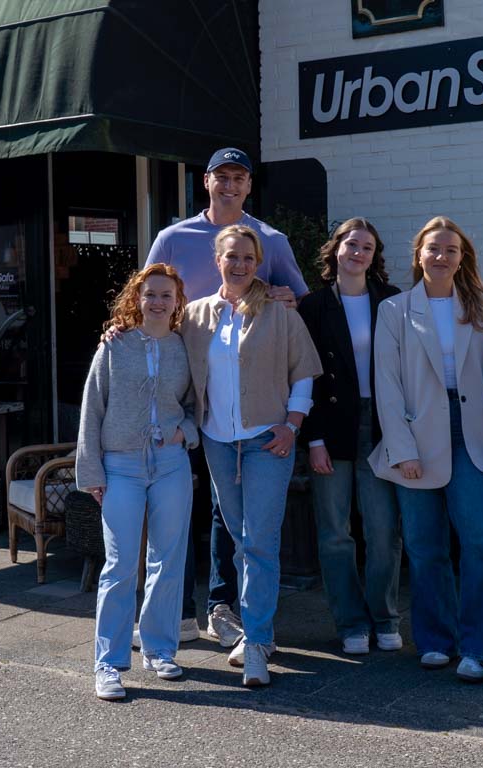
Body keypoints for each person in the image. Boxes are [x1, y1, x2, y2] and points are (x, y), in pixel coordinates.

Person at [145, 147, 310, 648]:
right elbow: (147, 297)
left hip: (239, 404)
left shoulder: (270, 241)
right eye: (222, 176)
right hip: (181, 393)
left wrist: (286, 298)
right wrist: (120, 333)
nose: (230, 185)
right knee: (176, 503)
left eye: (240, 178)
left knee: (226, 512)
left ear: (249, 186)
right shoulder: (173, 238)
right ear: (207, 182)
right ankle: (178, 613)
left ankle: (224, 608)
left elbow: (296, 303)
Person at [181, 223, 321, 686]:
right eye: (231, 256)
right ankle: (258, 629)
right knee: (241, 541)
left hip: (268, 440)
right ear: (217, 260)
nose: (239, 264)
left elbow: (303, 372)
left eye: (248, 258)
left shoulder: (279, 311)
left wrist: (292, 425)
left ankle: (257, 641)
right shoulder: (196, 314)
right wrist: (117, 331)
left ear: (258, 263)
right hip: (219, 442)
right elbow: (160, 341)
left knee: (260, 541)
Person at [369, 216, 483, 682]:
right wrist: (401, 448)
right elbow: (387, 384)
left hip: (473, 434)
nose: (441, 256)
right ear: (419, 255)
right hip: (417, 433)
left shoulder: (482, 305)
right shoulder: (395, 310)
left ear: (462, 258)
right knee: (425, 544)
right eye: (433, 248)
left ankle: (481, 647)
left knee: (482, 541)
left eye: (451, 249)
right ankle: (434, 640)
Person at [77, 264, 200, 701]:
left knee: (168, 560)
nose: (158, 302)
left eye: (166, 295)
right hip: (122, 466)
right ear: (137, 298)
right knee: (120, 563)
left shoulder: (185, 347)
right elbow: (92, 408)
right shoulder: (114, 345)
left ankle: (159, 649)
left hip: (170, 464)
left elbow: (196, 405)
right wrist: (91, 472)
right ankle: (108, 663)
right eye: (150, 294)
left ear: (177, 300)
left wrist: (185, 432)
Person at [297, 218, 404, 655]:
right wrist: (313, 439)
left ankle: (385, 617)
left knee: (383, 530)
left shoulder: (392, 300)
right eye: (351, 244)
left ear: (374, 256)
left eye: (367, 247)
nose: (358, 252)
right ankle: (351, 624)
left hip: (381, 423)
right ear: (336, 248)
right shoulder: (313, 305)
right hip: (331, 426)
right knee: (335, 533)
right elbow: (304, 375)